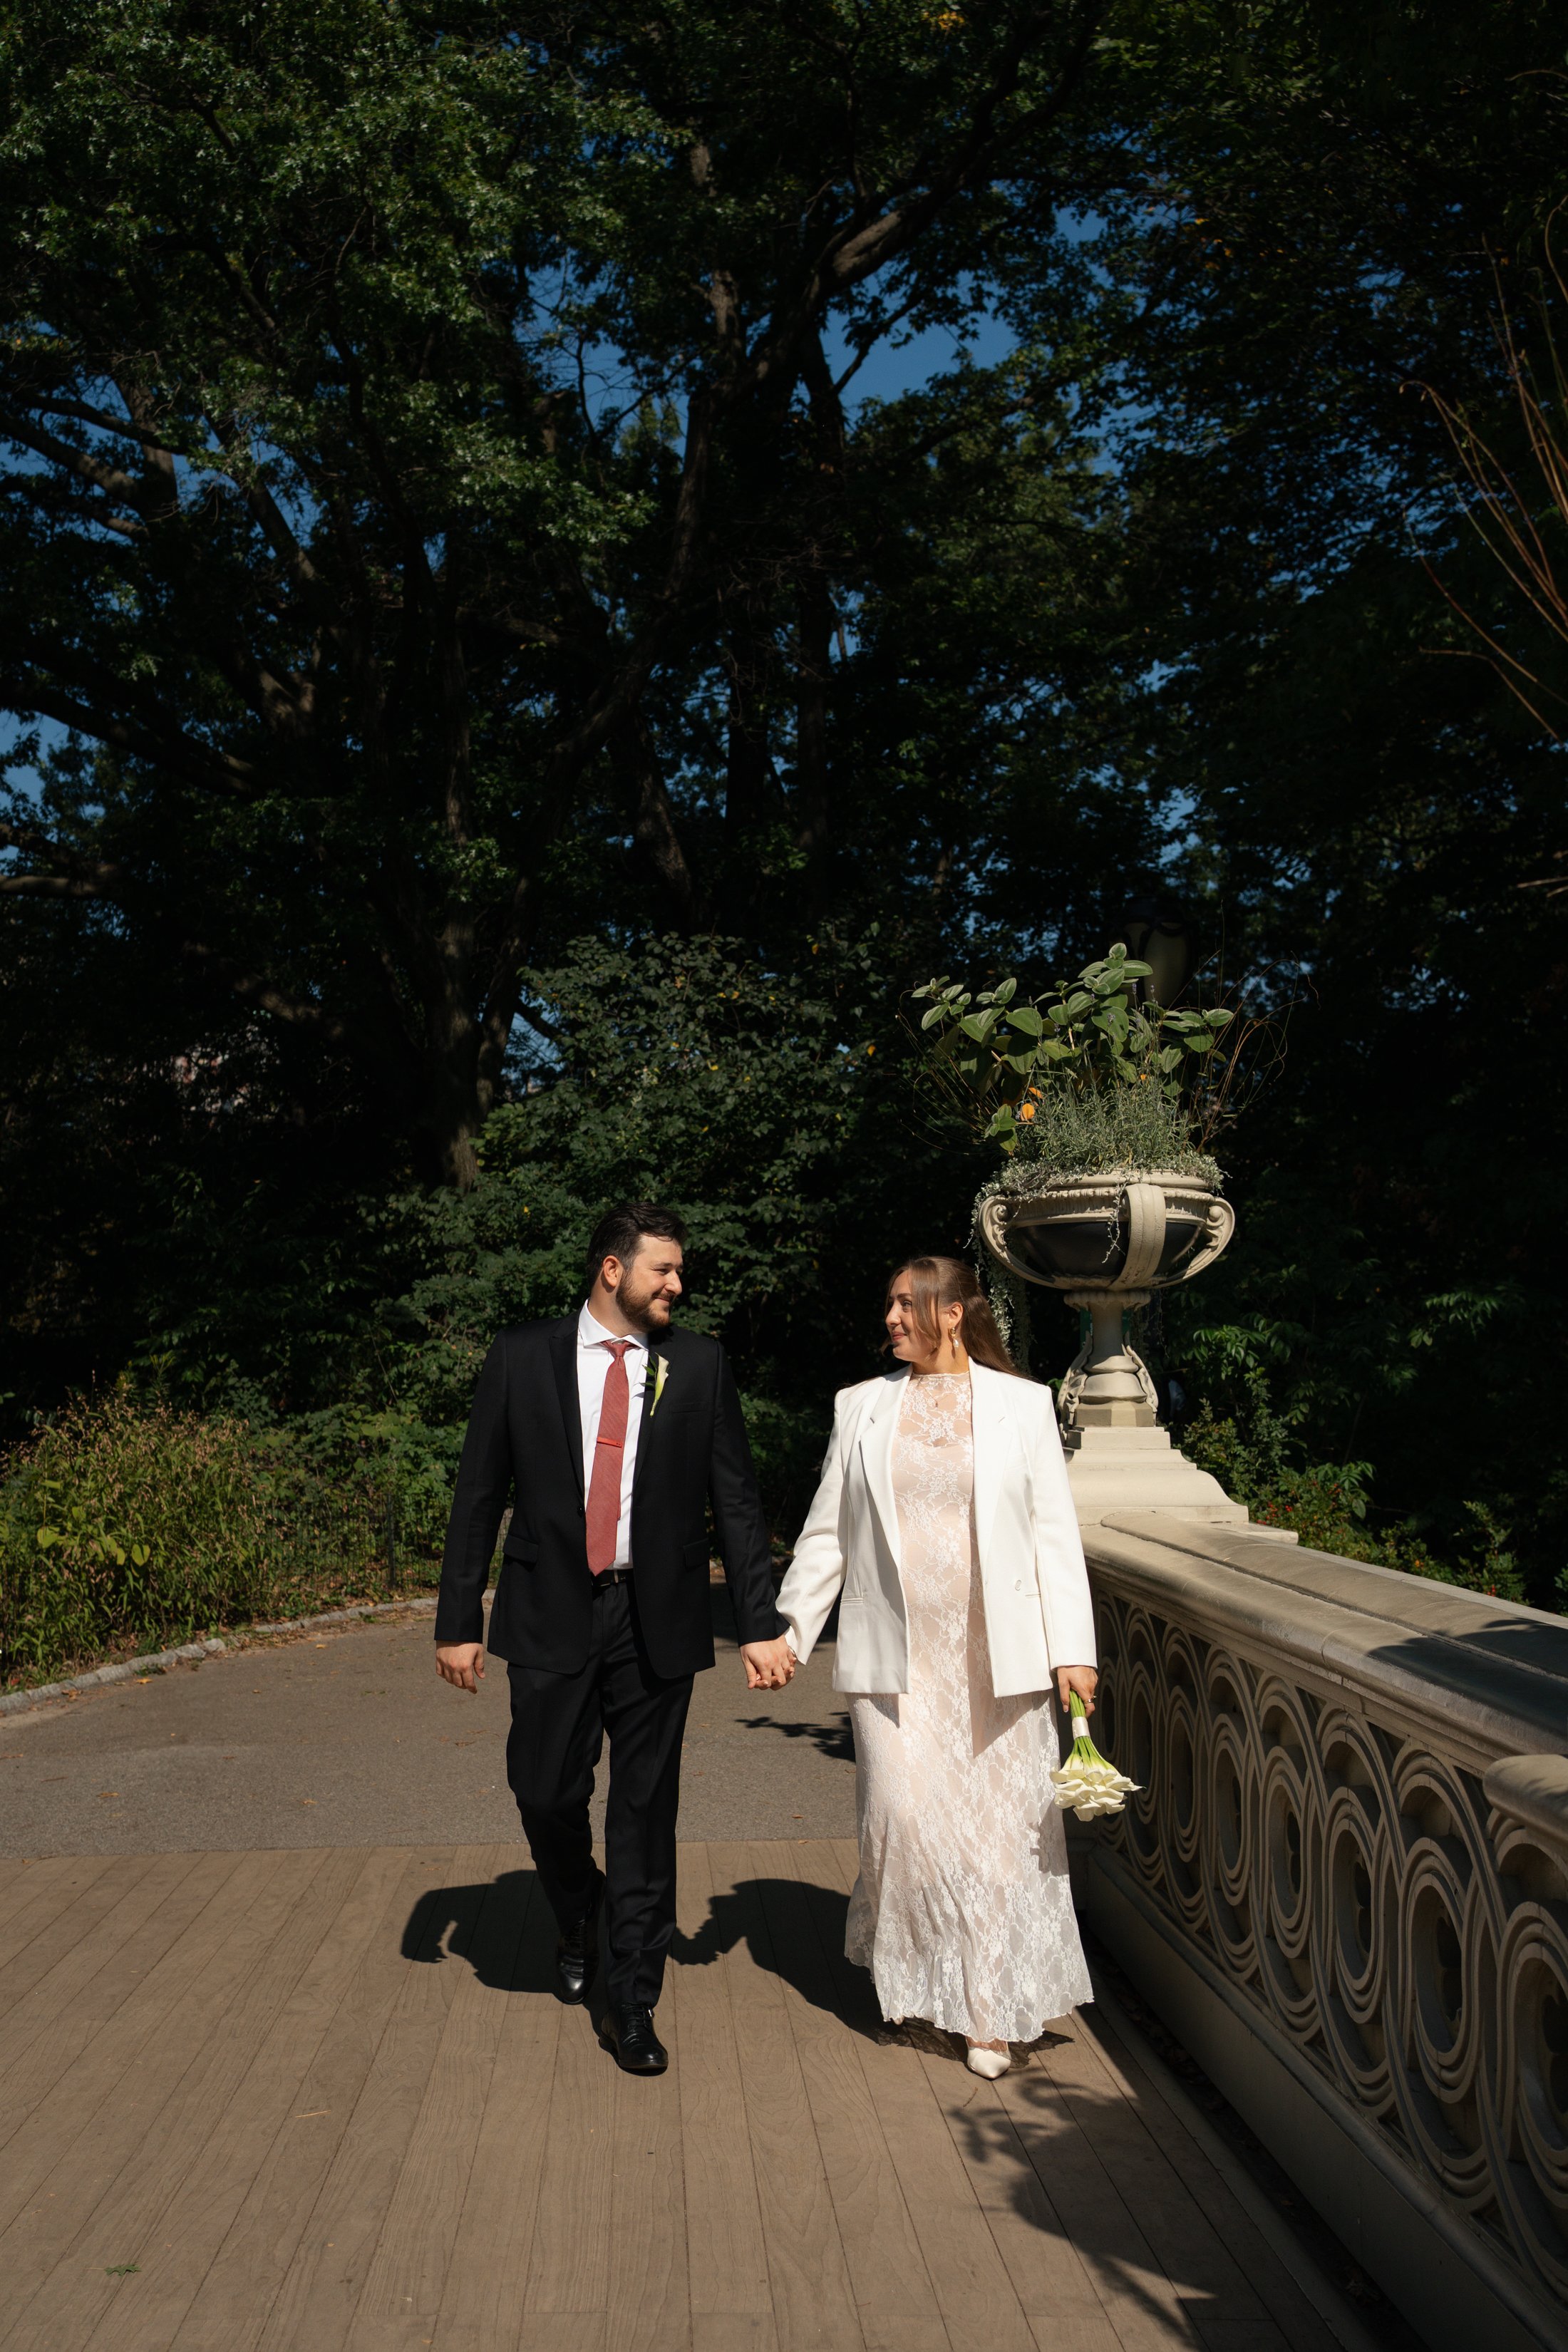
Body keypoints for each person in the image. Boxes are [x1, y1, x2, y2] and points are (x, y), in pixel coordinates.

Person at [433, 1204, 795, 2076]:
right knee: (544, 1789)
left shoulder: (698, 1364)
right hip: (548, 1608)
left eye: (678, 1271)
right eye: (663, 1270)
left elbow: (735, 1503)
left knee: (642, 1810)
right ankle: (578, 1912)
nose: (677, 1285)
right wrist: (458, 1622)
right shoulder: (524, 1356)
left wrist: (759, 1624)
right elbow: (478, 1490)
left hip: (657, 1617)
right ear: (611, 1270)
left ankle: (629, 1996)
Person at [775, 1255, 1098, 2078]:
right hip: (895, 1660)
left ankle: (988, 2013)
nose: (891, 1318)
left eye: (907, 1305)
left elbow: (1053, 1534)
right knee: (902, 1822)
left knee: (996, 1842)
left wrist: (1073, 1652)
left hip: (998, 1656)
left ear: (953, 1313)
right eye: (886, 1304)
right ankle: (923, 1986)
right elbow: (827, 1533)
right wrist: (788, 1633)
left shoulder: (1021, 1407)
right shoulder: (861, 1408)